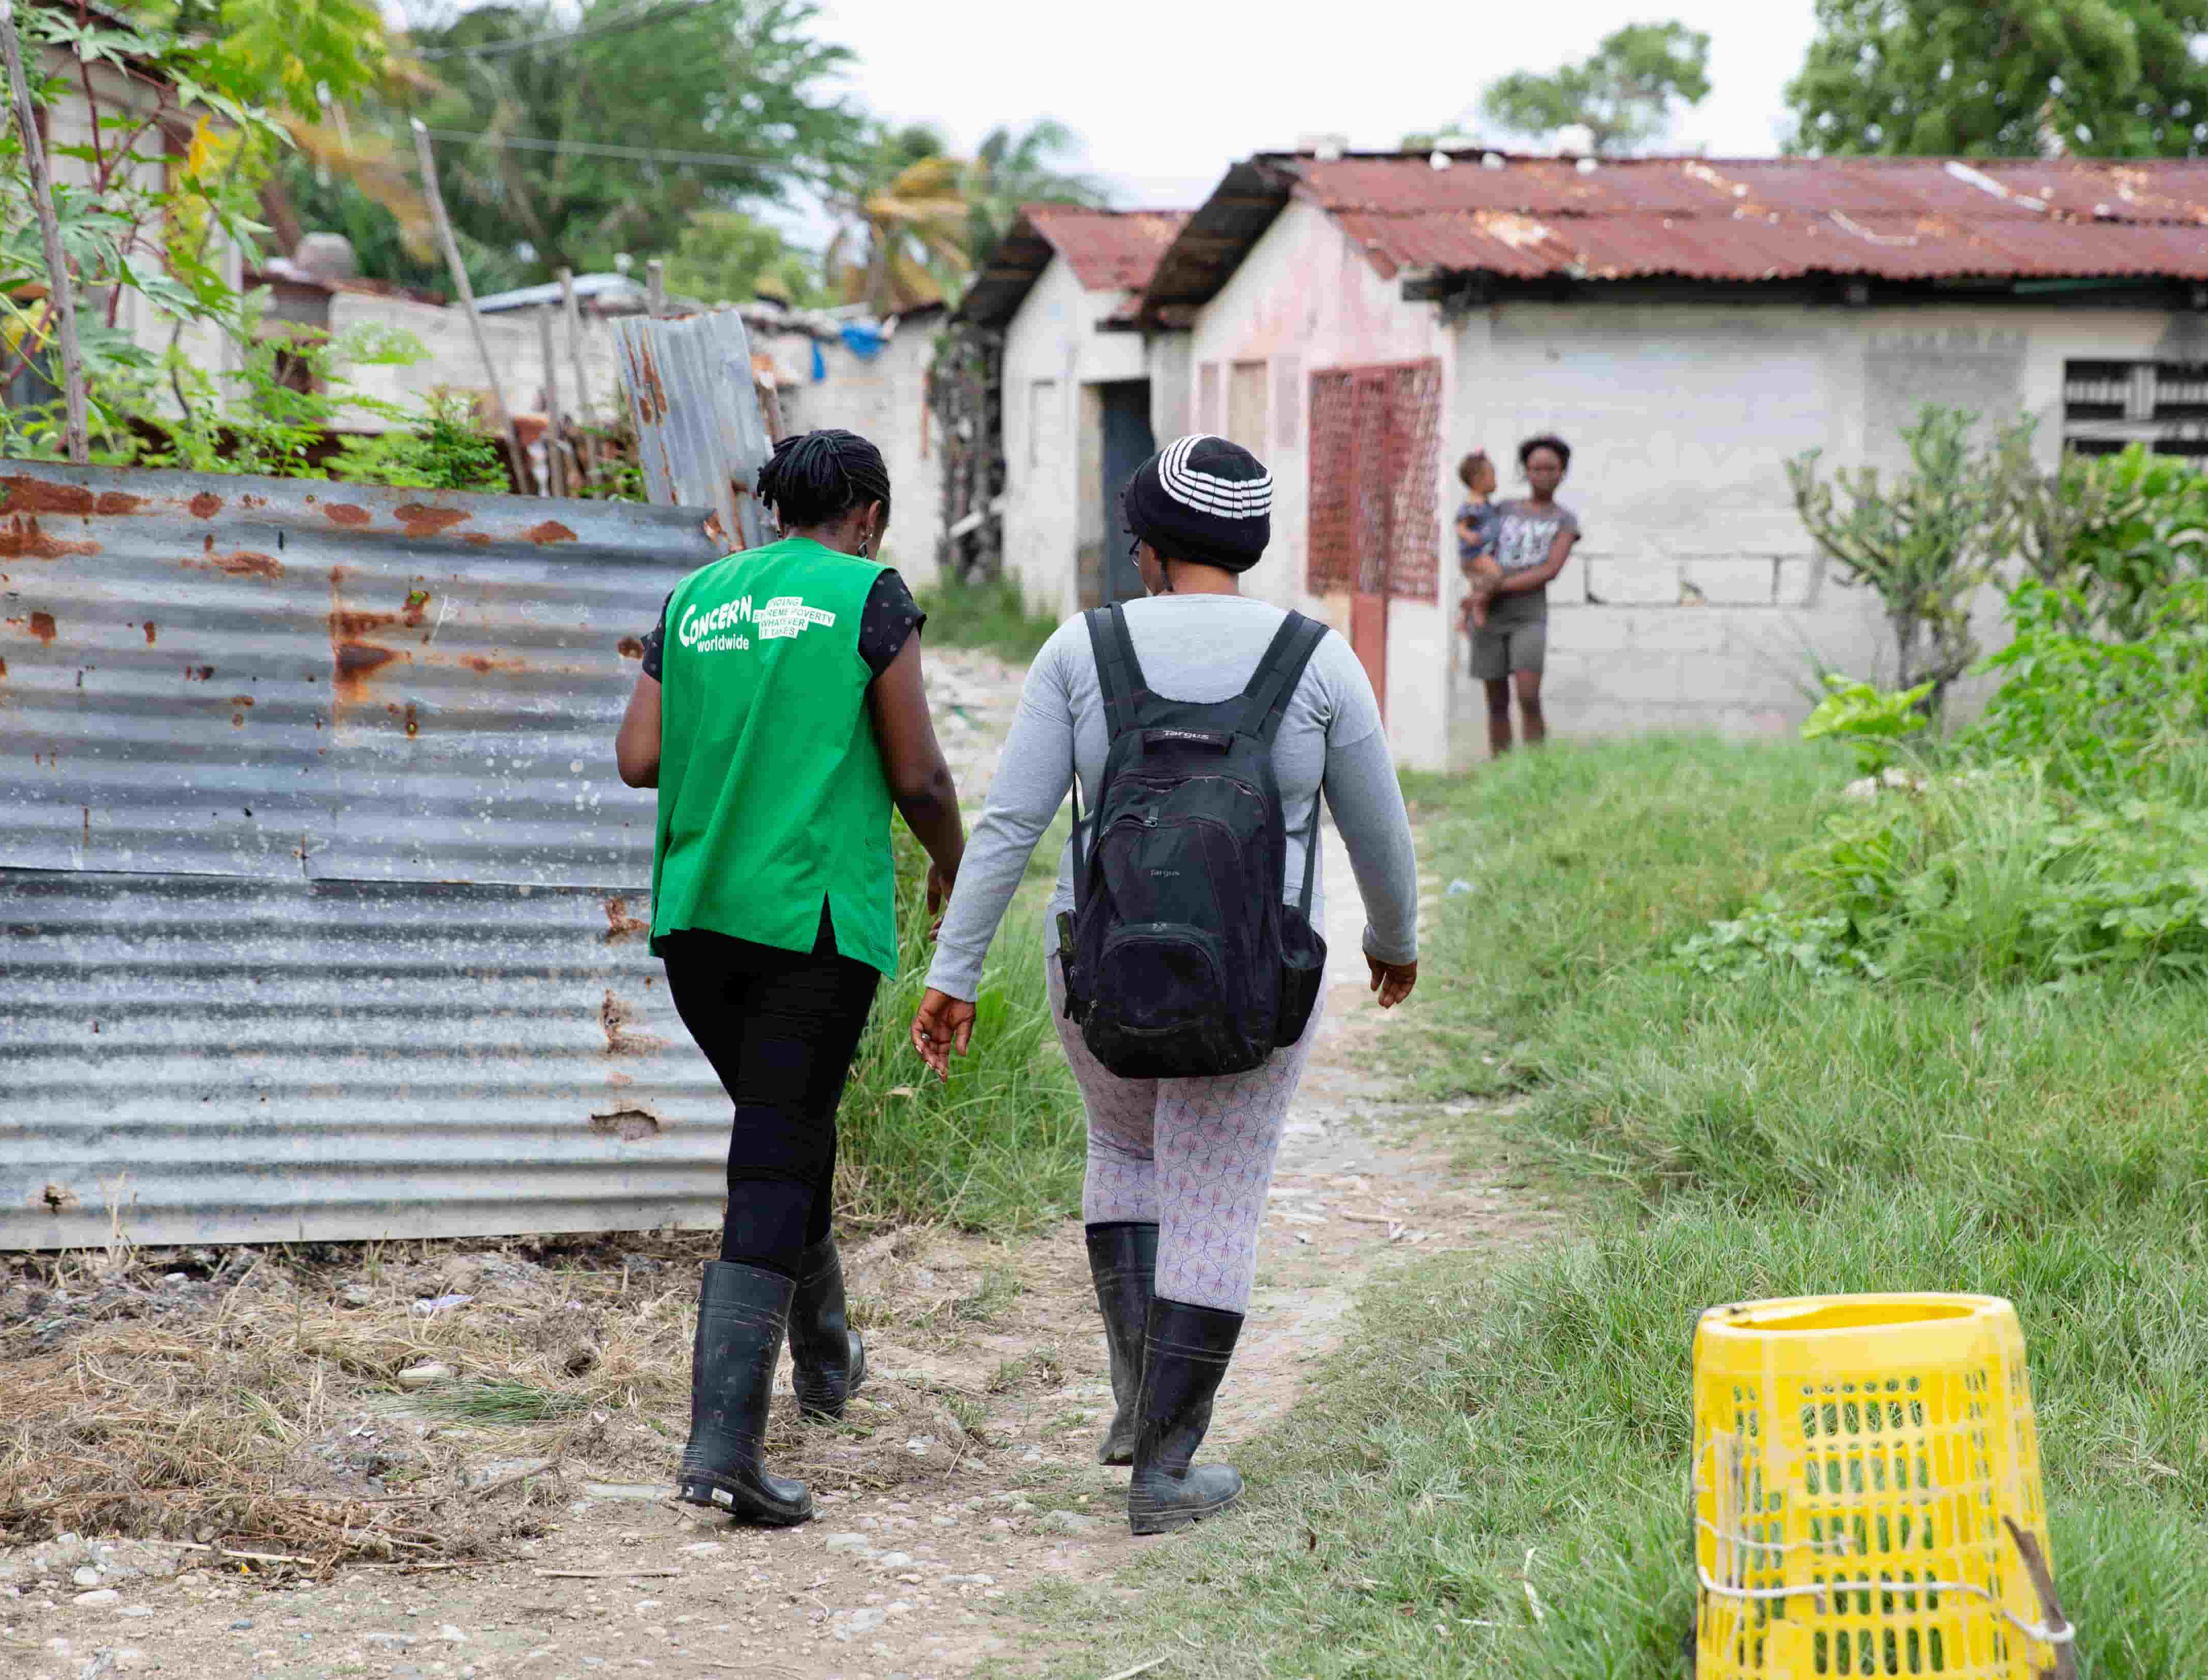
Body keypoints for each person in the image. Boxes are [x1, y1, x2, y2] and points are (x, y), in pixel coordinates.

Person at [907, 436, 1421, 1536]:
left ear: (1147, 546)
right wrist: (1394, 939)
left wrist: (954, 971)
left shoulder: (1079, 651)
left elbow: (1009, 827)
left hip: (1097, 972)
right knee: (1217, 1197)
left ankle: (1138, 1412)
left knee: (1125, 1152)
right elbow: (1378, 830)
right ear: (1247, 542)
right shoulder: (1316, 660)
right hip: (1258, 980)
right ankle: (1169, 1466)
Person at [616, 429, 967, 1528]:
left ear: (775, 508)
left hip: (699, 919)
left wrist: (743, 721)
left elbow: (637, 758)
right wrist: (956, 865)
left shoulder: (696, 598)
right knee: (775, 1152)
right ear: (866, 512)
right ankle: (723, 1446)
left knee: (785, 1126)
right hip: (810, 922)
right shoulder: (870, 594)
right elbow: (915, 770)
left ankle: (827, 1356)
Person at [1473, 435, 1581, 757]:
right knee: (1496, 701)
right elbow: (1477, 548)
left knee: (1528, 695)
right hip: (1489, 611)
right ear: (1526, 471)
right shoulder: (1504, 509)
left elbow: (1550, 569)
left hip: (1529, 614)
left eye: (1551, 469)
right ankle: (1502, 772)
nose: (1543, 476)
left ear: (1562, 472)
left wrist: (1498, 585)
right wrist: (1479, 591)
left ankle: (1536, 770)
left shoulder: (1565, 520)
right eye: (1536, 469)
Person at [1454, 449, 1502, 636]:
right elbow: (1460, 525)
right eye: (1492, 476)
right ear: (1478, 480)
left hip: (1481, 553)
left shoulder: (1485, 503)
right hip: (1474, 555)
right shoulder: (1473, 505)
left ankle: (1465, 619)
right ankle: (1476, 603)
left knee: (1480, 585)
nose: (1496, 480)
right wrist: (1467, 535)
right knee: (1497, 575)